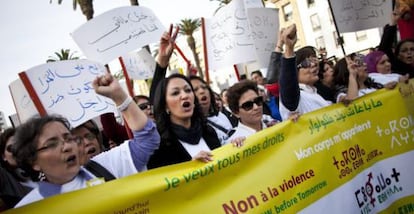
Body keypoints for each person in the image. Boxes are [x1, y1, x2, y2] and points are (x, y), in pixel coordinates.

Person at [12, 73, 160, 207]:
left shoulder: (104, 167)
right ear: (33, 161)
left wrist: (119, 97)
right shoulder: (32, 207)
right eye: (52, 144)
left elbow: (147, 140)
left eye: (68, 138)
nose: (67, 147)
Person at [147, 73, 222, 169]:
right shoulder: (159, 147)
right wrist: (190, 168)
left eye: (188, 90)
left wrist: (234, 146)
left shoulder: (209, 132)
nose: (185, 95)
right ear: (165, 105)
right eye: (175, 93)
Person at [278, 24, 331, 121]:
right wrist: (289, 48)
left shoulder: (317, 93)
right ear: (295, 73)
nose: (313, 65)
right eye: (306, 63)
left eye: (314, 60)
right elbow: (288, 83)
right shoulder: (296, 99)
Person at [190, 75, 235, 144]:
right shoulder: (192, 127)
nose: (202, 91)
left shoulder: (221, 115)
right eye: (195, 90)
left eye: (204, 87)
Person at [0, 128, 33, 210]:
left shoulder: (44, 169)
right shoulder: (5, 177)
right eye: (11, 148)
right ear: (4, 156)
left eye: (21, 145)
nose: (17, 150)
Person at [378, 8, 414, 78]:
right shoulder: (399, 69)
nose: (409, 52)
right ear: (398, 55)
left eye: (412, 49)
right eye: (404, 50)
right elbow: (384, 49)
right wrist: (393, 24)